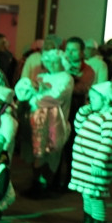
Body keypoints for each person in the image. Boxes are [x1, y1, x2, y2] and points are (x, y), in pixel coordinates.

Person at [67, 82, 112, 223]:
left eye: (93, 98)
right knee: (87, 195)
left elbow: (109, 141)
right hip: (85, 165)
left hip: (95, 166)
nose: (90, 101)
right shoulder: (97, 114)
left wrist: (99, 160)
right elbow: (79, 128)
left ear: (106, 100)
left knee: (96, 197)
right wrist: (82, 112)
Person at [14, 49, 73, 197]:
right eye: (49, 62)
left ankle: (45, 184)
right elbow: (25, 93)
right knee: (35, 154)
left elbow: (55, 97)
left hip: (54, 123)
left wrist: (36, 96)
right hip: (35, 122)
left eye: (55, 62)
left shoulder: (66, 78)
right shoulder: (41, 77)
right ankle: (36, 182)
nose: (51, 65)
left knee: (50, 154)